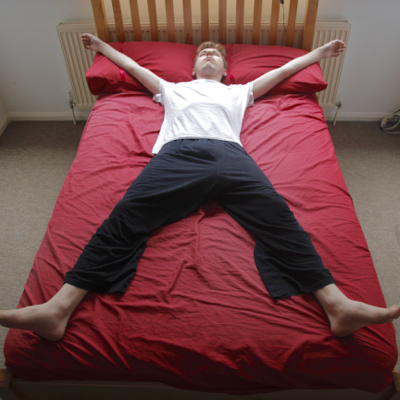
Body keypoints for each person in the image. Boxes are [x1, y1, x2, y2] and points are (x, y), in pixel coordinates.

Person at [1, 34, 400, 342]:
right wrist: (103, 47)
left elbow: (282, 72)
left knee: (279, 218)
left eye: (216, 55)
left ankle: (336, 305)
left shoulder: (239, 92)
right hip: (179, 154)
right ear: (192, 71)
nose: (209, 55)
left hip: (231, 156)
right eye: (203, 54)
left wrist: (320, 53)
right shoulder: (171, 88)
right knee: (126, 217)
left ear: (226, 72)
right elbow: (132, 66)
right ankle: (58, 308)